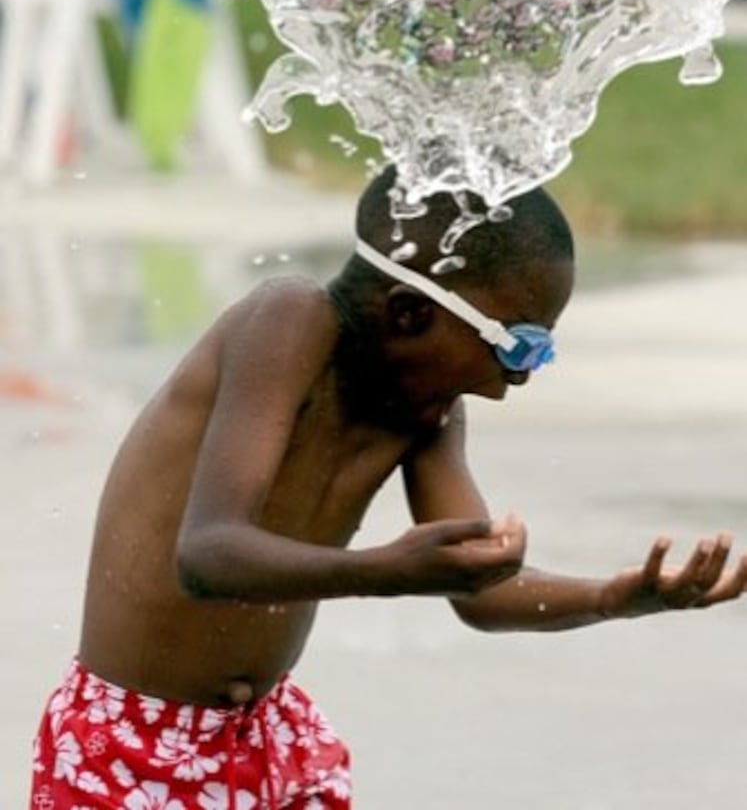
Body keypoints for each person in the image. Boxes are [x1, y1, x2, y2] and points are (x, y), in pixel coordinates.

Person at [30, 165, 746, 810]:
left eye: (543, 351)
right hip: (126, 751)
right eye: (517, 344)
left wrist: (611, 598)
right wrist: (386, 571)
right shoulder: (285, 324)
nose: (521, 377)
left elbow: (483, 591)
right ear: (410, 313)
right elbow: (209, 553)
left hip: (266, 741)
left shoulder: (428, 414)